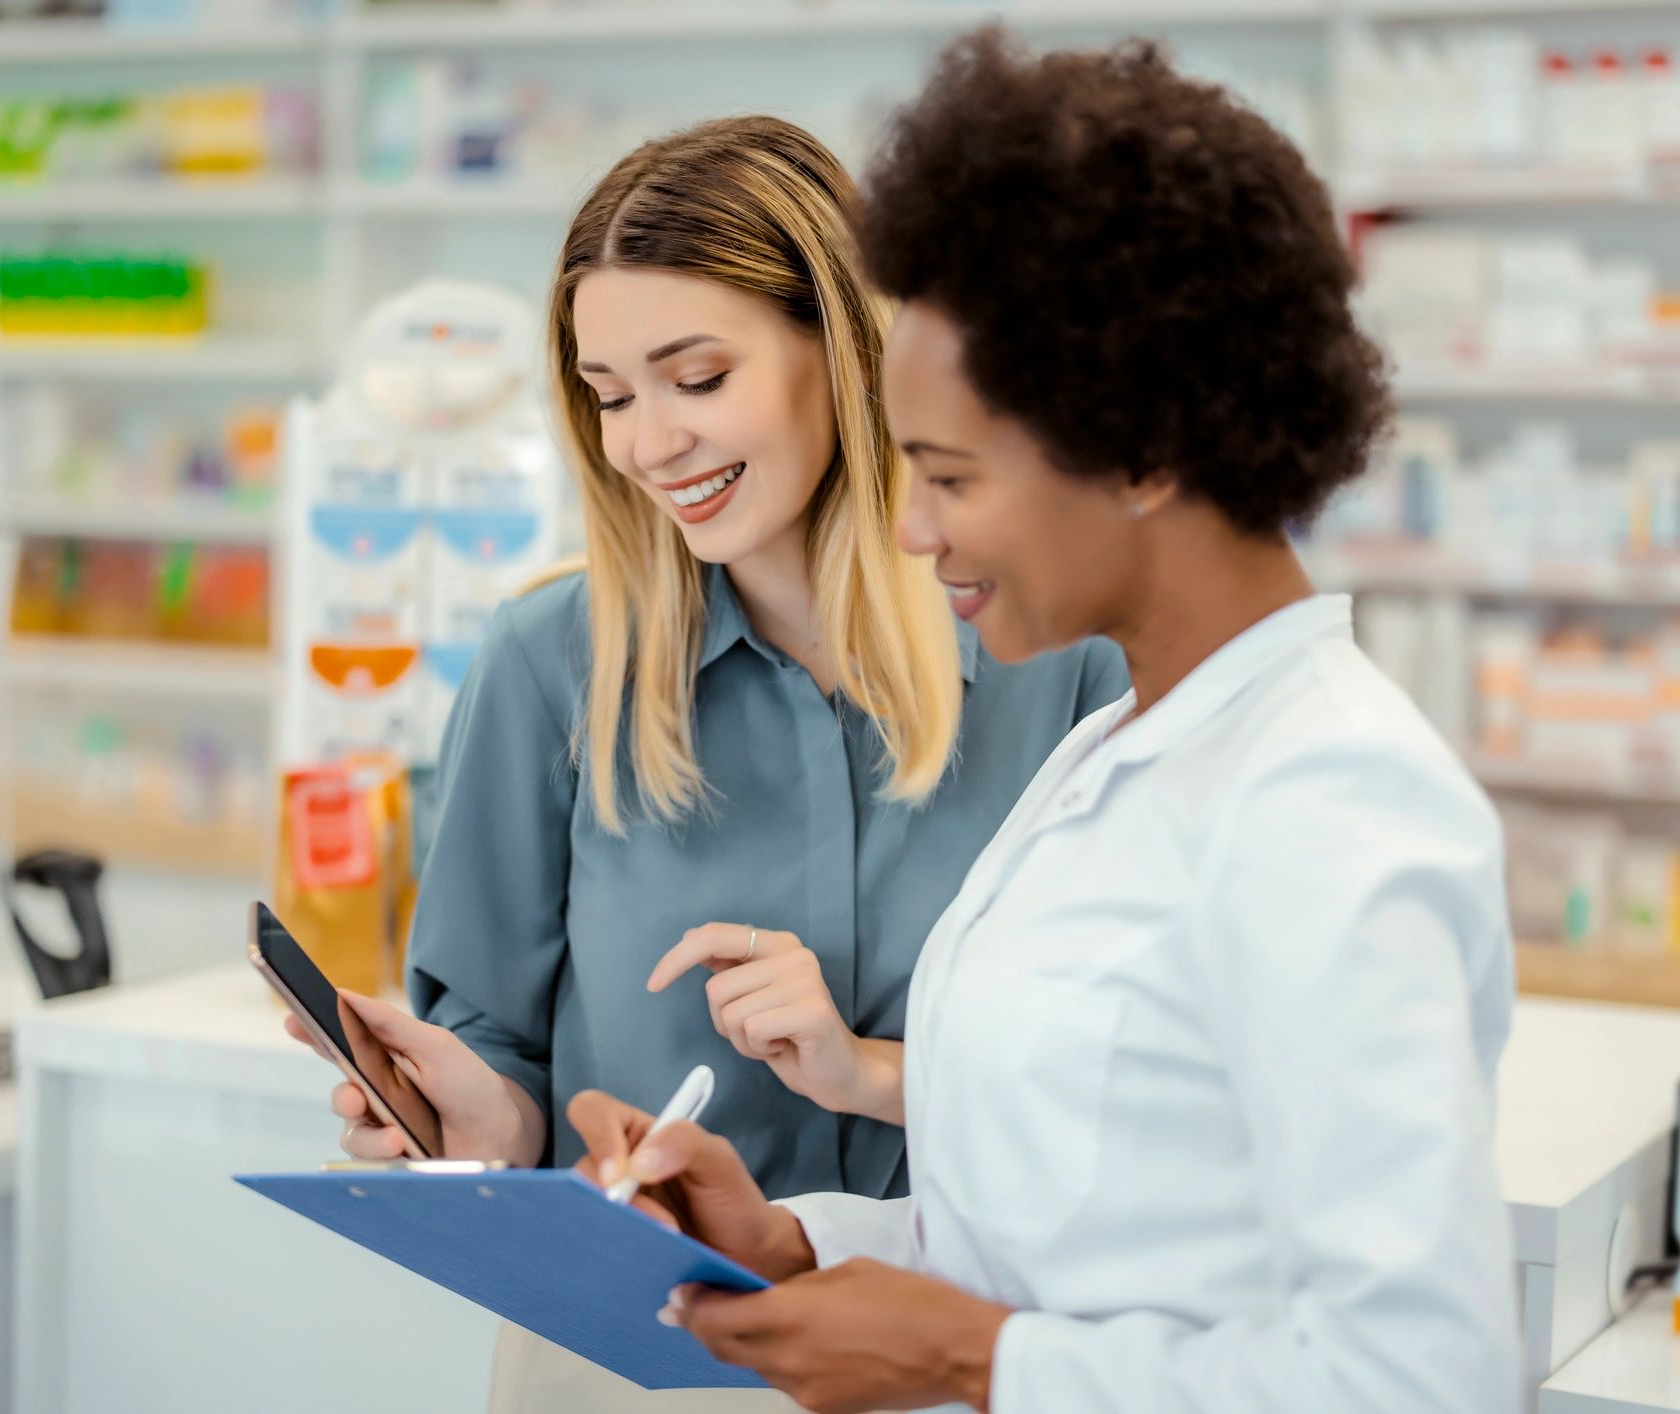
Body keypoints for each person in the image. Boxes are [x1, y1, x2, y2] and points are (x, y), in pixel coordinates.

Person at [564, 32, 1521, 1414]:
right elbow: (1069, 1230)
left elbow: (1424, 1375)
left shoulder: (1334, 805)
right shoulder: (1126, 752)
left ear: (1142, 451)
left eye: (950, 474)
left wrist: (970, 1359)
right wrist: (793, 1241)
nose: (907, 523)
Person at [284, 113, 1126, 1410]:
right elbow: (503, 1065)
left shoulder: (1057, 659)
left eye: (696, 376)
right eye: (610, 395)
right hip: (633, 1366)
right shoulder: (548, 664)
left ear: (839, 352)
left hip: (951, 1353)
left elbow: (1127, 1082)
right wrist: (473, 1116)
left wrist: (874, 1070)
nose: (648, 442)